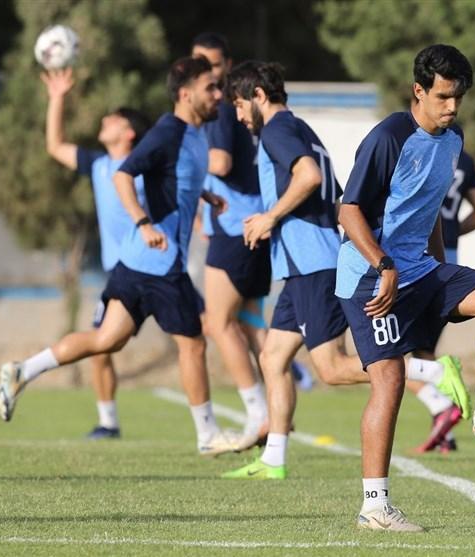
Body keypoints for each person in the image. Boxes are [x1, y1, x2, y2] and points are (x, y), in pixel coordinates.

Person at [336, 44, 475, 531]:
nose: (452, 107)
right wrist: (386, 264)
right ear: (418, 91)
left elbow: (431, 205)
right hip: (371, 274)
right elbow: (348, 212)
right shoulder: (388, 137)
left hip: (420, 268)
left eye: (458, 98)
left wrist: (438, 268)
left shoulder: (453, 140)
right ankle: (375, 507)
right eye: (443, 97)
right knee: (389, 382)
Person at [219, 61, 469, 481]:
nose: (240, 117)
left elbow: (309, 176)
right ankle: (274, 460)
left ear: (258, 97)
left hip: (311, 261)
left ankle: (433, 371)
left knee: (332, 369)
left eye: (241, 106)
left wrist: (269, 218)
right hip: (302, 261)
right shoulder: (298, 128)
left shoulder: (277, 131)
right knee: (272, 356)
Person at [0, 56, 240, 457]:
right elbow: (124, 174)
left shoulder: (196, 135)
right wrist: (144, 222)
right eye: (210, 87)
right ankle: (207, 434)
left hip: (134, 263)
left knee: (106, 339)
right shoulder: (168, 132)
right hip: (159, 261)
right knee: (193, 344)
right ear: (184, 93)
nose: (218, 94)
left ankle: (24, 370)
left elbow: (172, 181)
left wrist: (205, 195)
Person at [40, 67, 150, 440]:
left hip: (153, 270)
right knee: (100, 345)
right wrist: (57, 97)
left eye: (113, 119)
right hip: (119, 276)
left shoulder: (143, 170)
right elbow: (55, 147)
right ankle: (108, 422)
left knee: (206, 331)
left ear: (129, 133)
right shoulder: (100, 165)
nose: (104, 120)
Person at [191, 32, 272, 451]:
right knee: (252, 327)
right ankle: (277, 412)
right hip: (256, 227)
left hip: (237, 230)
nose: (207, 72)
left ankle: (259, 414)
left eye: (214, 64)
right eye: (199, 63)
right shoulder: (245, 112)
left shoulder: (222, 110)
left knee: (217, 323)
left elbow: (220, 162)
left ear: (227, 66)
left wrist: (181, 157)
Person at [407, 147, 475, 454]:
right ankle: (446, 434)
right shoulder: (466, 159)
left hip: (423, 258)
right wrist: (452, 231)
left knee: (394, 355)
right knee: (423, 351)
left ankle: (442, 407)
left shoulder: (420, 151)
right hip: (450, 260)